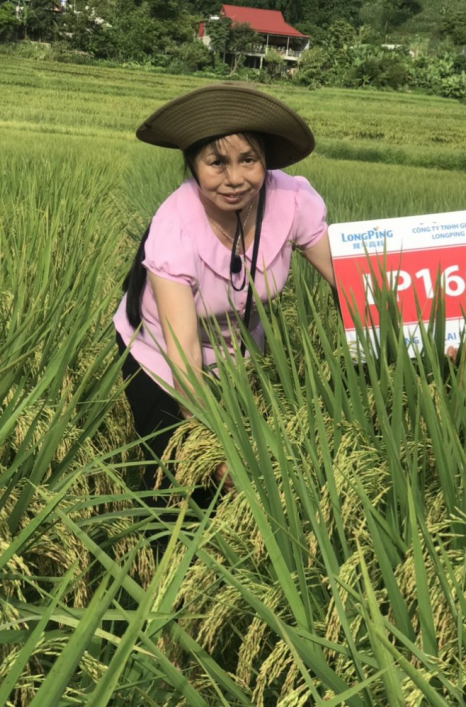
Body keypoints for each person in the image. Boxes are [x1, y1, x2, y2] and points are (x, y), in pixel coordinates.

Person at [113, 83, 335, 494]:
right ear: (193, 165)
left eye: (248, 160)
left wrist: (425, 331)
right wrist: (212, 450)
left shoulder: (292, 200)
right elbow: (184, 356)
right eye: (217, 163)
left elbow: (353, 281)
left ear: (265, 160)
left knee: (249, 478)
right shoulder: (175, 230)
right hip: (162, 358)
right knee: (176, 481)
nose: (235, 178)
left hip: (240, 355)